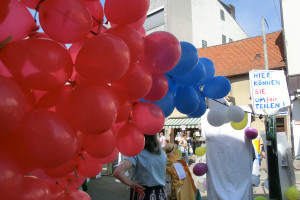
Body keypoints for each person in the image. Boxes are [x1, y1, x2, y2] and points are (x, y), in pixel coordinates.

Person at [114, 134, 167, 200]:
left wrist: (132, 184)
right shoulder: (162, 154)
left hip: (142, 193)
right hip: (160, 194)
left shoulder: (137, 153)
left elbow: (118, 172)